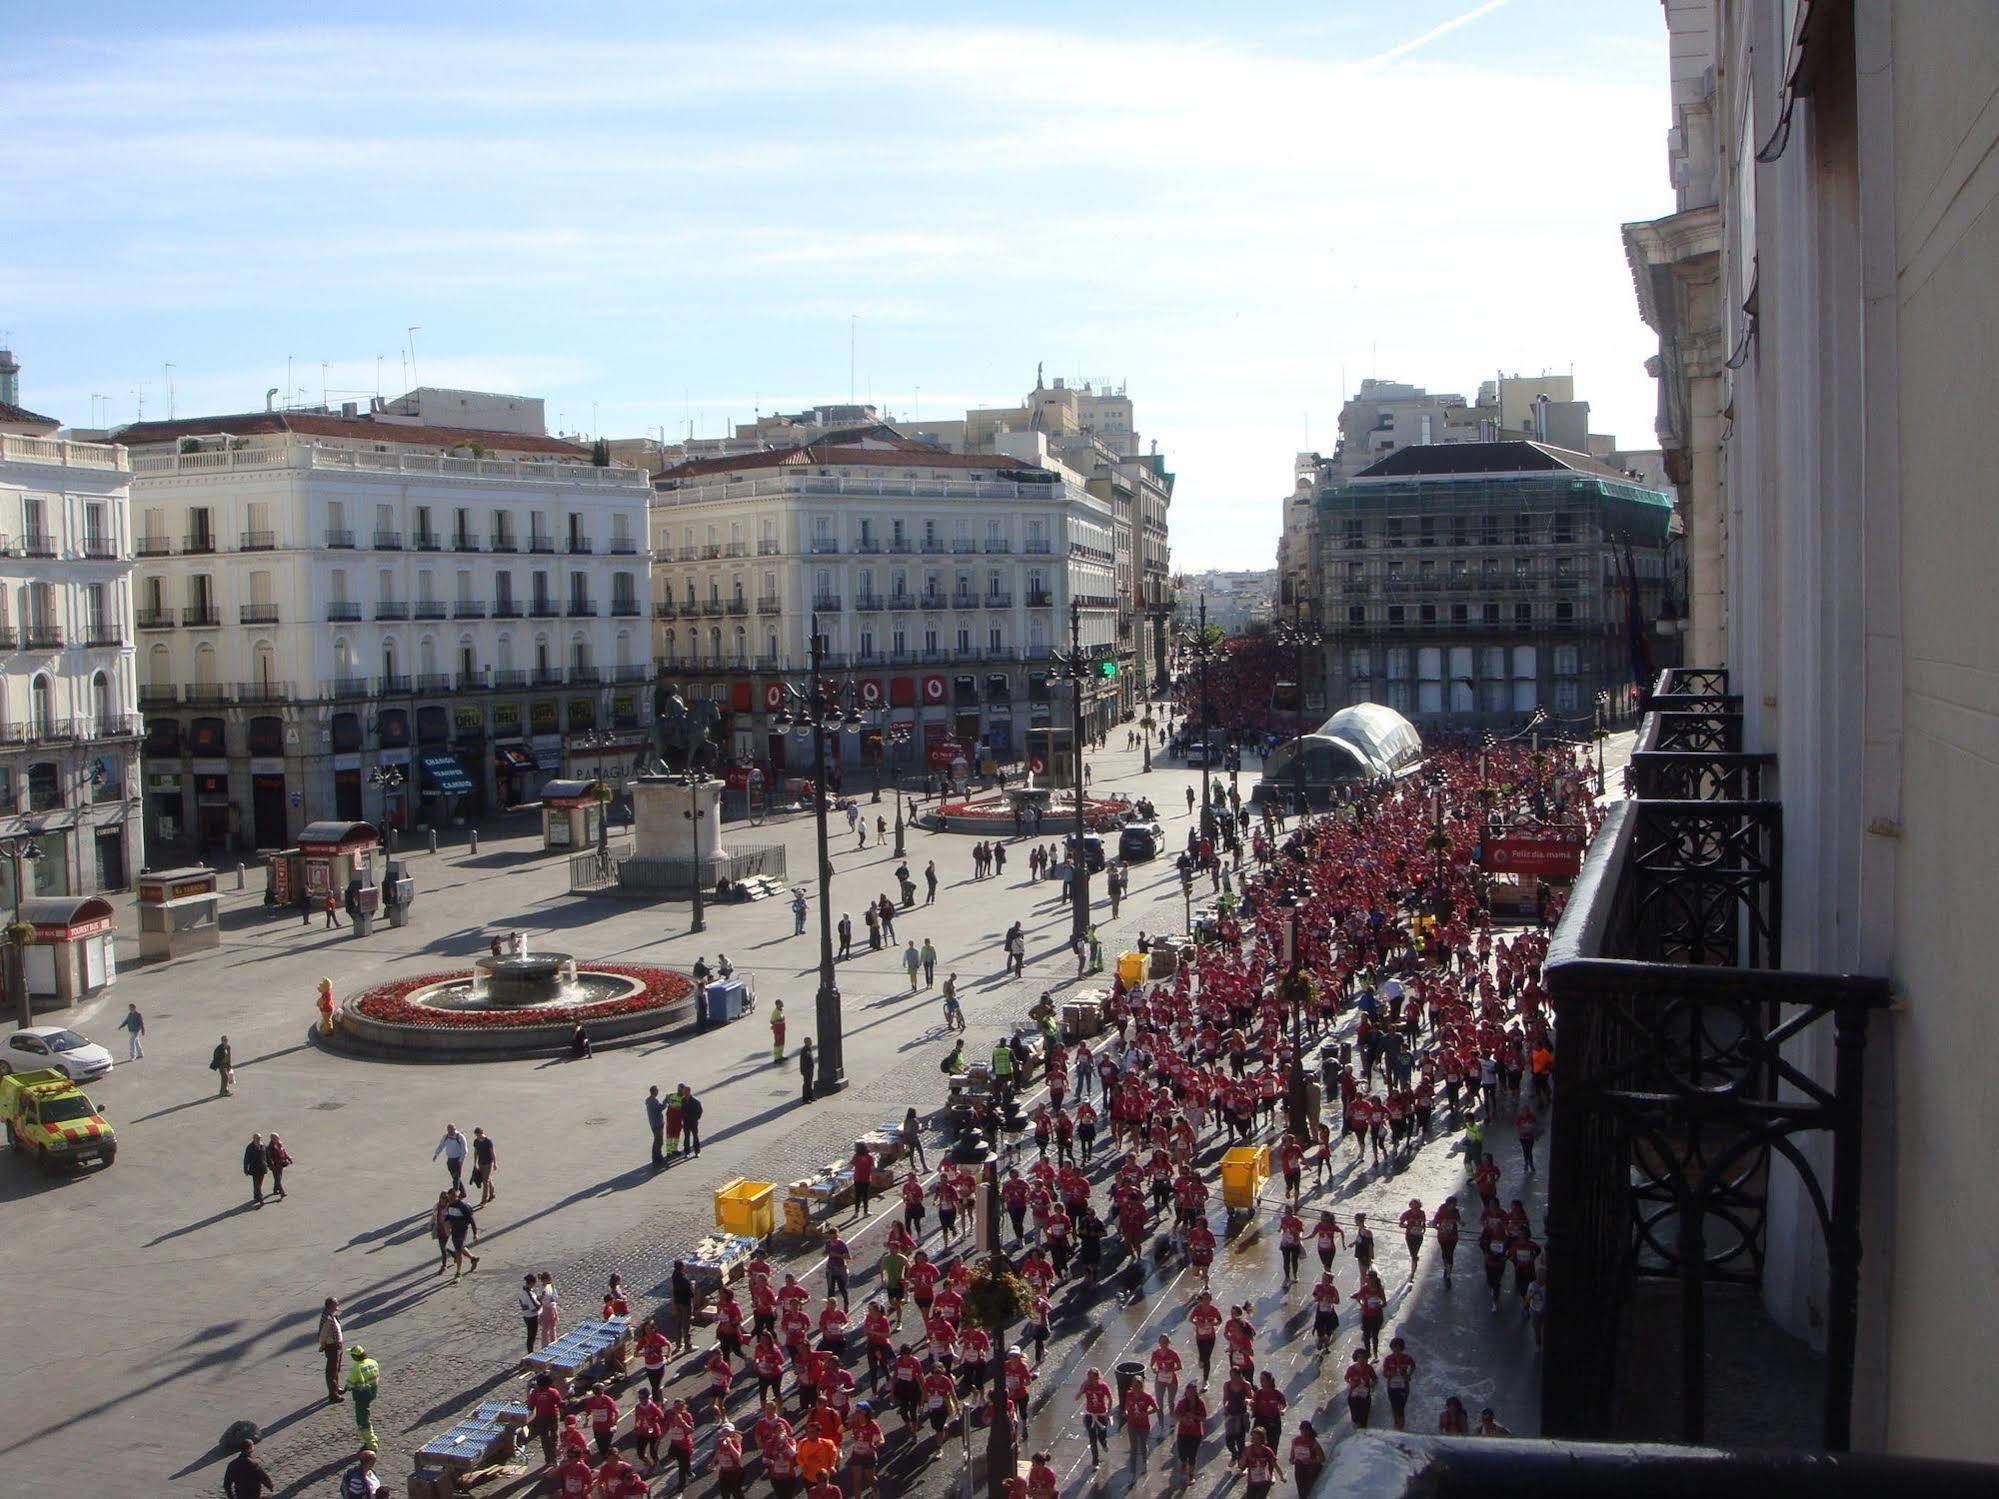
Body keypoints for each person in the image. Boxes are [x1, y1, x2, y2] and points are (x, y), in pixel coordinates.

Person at [345, 1344, 382, 1449]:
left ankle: (371, 1443)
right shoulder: (373, 1362)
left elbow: (350, 1383)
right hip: (372, 1391)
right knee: (365, 1413)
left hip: (362, 1394)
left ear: (355, 1357)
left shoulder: (357, 1368)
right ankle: (372, 1438)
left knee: (362, 1418)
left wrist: (346, 1388)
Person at [444, 1189, 481, 1279]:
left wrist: (475, 1233)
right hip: (454, 1231)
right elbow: (448, 1217)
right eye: (449, 1198)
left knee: (458, 1251)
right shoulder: (450, 1205)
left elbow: (472, 1221)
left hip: (462, 1231)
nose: (450, 1200)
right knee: (460, 1247)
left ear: (456, 1196)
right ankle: (473, 1258)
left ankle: (458, 1272)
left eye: (452, 1197)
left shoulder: (463, 1206)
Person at [317, 1296, 345, 1402]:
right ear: (331, 1305)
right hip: (332, 1346)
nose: (338, 1304)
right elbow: (322, 1335)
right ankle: (333, 1394)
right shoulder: (328, 1319)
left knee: (336, 1369)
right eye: (336, 1303)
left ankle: (336, 1387)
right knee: (331, 1371)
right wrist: (323, 1344)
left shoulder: (332, 1315)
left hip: (337, 1345)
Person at [1289, 1420, 1326, 1494]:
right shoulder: (1295, 1441)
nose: (1304, 1433)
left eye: (1306, 1430)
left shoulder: (1313, 1443)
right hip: (1301, 1468)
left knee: (1307, 1487)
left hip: (1311, 1467)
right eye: (1302, 1430)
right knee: (1298, 1464)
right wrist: (1292, 1460)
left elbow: (1322, 1458)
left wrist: (1311, 1461)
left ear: (1309, 1431)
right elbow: (1292, 1456)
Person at [433, 1123, 468, 1187]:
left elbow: (464, 1150)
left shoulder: (460, 1137)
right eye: (448, 1130)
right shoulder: (446, 1137)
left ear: (455, 1129)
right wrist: (436, 1154)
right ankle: (462, 1192)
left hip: (458, 1159)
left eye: (451, 1130)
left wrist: (461, 1161)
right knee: (454, 1177)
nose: (450, 1132)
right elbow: (441, 1146)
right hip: (450, 1160)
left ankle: (455, 1192)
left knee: (456, 1177)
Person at [470, 1126, 496, 1205]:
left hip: (488, 1163)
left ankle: (483, 1201)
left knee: (485, 1181)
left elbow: (492, 1152)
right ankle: (492, 1194)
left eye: (478, 1135)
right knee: (487, 1179)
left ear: (482, 1133)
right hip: (480, 1163)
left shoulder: (488, 1141)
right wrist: (475, 1163)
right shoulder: (476, 1141)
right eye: (476, 1135)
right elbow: (475, 1152)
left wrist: (495, 1163)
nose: (477, 1137)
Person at [243, 1133, 269, 1206]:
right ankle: (261, 1198)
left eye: (260, 1138)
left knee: (259, 1183)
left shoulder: (263, 1145)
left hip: (262, 1167)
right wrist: (245, 1169)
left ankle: (256, 1195)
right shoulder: (250, 1147)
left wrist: (270, 1164)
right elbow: (246, 1159)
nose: (259, 1140)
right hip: (254, 1168)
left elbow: (267, 1155)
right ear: (254, 1139)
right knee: (257, 1183)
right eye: (257, 1138)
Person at [679, 1084, 703, 1157]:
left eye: (685, 1091)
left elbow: (700, 1111)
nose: (683, 1093)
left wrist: (696, 1118)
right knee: (686, 1137)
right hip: (686, 1122)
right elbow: (681, 1110)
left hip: (693, 1122)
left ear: (689, 1092)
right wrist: (682, 1118)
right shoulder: (683, 1100)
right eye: (683, 1091)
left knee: (695, 1136)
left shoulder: (695, 1101)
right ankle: (687, 1152)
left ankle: (697, 1151)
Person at [646, 1085, 667, 1169]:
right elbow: (661, 1108)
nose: (658, 1092)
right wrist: (666, 1100)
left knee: (657, 1140)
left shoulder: (649, 1100)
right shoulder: (653, 1101)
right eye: (657, 1090)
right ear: (654, 1092)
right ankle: (658, 1157)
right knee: (659, 1141)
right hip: (657, 1124)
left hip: (654, 1124)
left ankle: (656, 1157)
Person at [799, 1037, 817, 1103]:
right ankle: (805, 1099)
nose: (811, 1042)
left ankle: (811, 1097)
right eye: (809, 1041)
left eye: (811, 1041)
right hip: (807, 1071)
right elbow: (803, 1062)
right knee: (806, 1084)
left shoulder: (808, 1048)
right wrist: (804, 1071)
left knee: (809, 1084)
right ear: (806, 1042)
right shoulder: (805, 1050)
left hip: (810, 1070)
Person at [770, 999, 787, 1064]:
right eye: (781, 1003)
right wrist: (778, 1022)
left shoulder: (781, 1010)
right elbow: (772, 1021)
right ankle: (776, 1058)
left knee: (782, 1043)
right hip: (778, 1031)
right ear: (777, 1005)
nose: (782, 1004)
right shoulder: (775, 1012)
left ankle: (780, 1056)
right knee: (777, 1044)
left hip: (782, 1030)